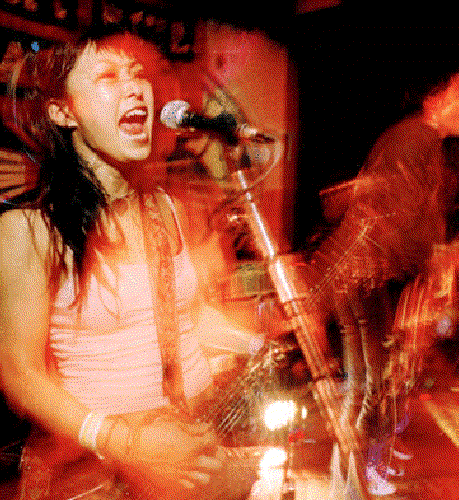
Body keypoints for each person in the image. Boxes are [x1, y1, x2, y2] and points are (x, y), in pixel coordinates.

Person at [0, 29, 263, 500]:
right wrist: (127, 443)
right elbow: (21, 376)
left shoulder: (166, 208)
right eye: (108, 76)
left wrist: (261, 338)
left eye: (137, 74)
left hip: (187, 437)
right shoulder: (30, 230)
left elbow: (187, 318)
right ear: (63, 112)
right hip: (98, 464)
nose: (135, 88)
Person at [310, 68, 459, 496]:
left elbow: (416, 216)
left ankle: (362, 470)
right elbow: (398, 214)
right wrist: (445, 256)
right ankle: (353, 481)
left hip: (368, 275)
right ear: (443, 95)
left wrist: (450, 249)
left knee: (375, 384)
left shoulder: (431, 144)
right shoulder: (416, 138)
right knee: (369, 386)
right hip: (359, 273)